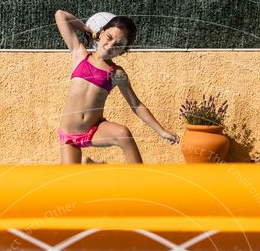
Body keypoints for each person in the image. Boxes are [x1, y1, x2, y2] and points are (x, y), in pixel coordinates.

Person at [54, 9, 179, 163]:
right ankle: (90, 165)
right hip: (69, 134)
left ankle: (142, 182)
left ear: (122, 51)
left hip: (94, 130)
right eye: (109, 37)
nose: (110, 45)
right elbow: (60, 15)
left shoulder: (116, 73)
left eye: (118, 45)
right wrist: (88, 30)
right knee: (69, 184)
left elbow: (136, 105)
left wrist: (162, 131)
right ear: (101, 33)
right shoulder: (79, 54)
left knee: (123, 134)